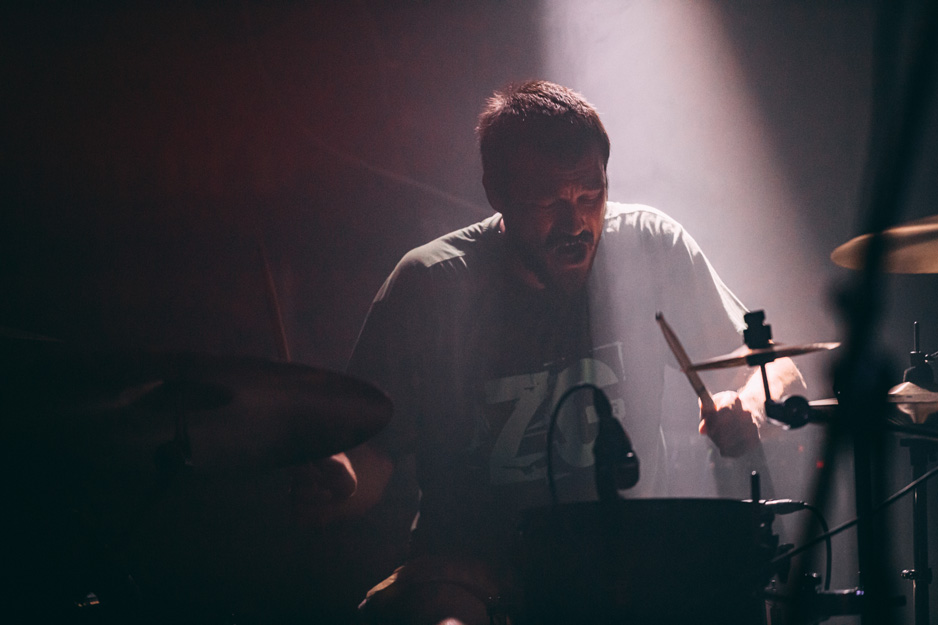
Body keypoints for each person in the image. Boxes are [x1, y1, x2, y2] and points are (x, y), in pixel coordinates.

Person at [312, 80, 803, 625]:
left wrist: (749, 405)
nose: (575, 225)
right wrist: (335, 481)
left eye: (591, 197)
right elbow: (367, 458)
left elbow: (778, 366)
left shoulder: (650, 247)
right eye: (549, 202)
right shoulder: (430, 283)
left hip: (626, 565)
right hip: (472, 574)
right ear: (496, 192)